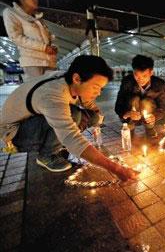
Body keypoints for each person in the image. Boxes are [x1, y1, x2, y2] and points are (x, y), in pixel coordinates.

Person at [0, 55, 137, 181]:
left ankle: (56, 144)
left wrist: (97, 117)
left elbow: (86, 101)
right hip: (15, 134)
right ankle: (46, 156)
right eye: (96, 87)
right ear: (77, 78)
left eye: (101, 88)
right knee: (74, 115)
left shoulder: (67, 79)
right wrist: (116, 169)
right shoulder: (52, 96)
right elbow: (71, 137)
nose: (99, 93)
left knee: (93, 117)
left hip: (33, 121)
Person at [3, 0, 57, 78]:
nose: (36, 0)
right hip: (33, 62)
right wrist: (44, 47)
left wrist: (53, 46)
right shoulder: (10, 13)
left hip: (49, 61)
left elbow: (48, 37)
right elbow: (16, 37)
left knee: (51, 90)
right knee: (38, 90)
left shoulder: (37, 17)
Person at [115, 55, 165, 138]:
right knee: (134, 99)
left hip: (148, 115)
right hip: (131, 116)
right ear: (133, 72)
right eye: (137, 75)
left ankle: (149, 128)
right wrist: (126, 114)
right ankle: (130, 128)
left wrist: (154, 116)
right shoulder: (127, 82)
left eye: (144, 76)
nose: (140, 79)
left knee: (146, 102)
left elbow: (162, 107)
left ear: (151, 73)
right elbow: (118, 104)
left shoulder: (159, 84)